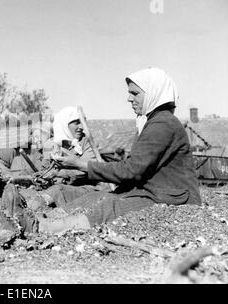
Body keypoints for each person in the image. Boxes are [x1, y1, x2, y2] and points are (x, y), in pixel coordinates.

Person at [37, 67, 201, 233]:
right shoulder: (154, 122)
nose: (129, 98)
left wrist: (80, 164)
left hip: (174, 197)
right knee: (98, 196)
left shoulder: (162, 124)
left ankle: (49, 227)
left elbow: (131, 170)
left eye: (135, 93)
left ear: (154, 93)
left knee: (111, 205)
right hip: (157, 191)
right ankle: (51, 217)